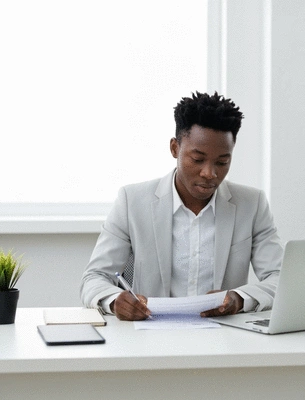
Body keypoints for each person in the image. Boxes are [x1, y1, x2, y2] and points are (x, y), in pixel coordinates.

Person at [80, 91, 283, 321]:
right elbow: (94, 278)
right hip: (151, 337)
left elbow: (281, 278)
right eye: (197, 159)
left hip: (224, 339)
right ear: (175, 148)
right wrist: (115, 301)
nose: (210, 173)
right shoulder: (132, 201)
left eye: (222, 162)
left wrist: (239, 298)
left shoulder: (251, 204)